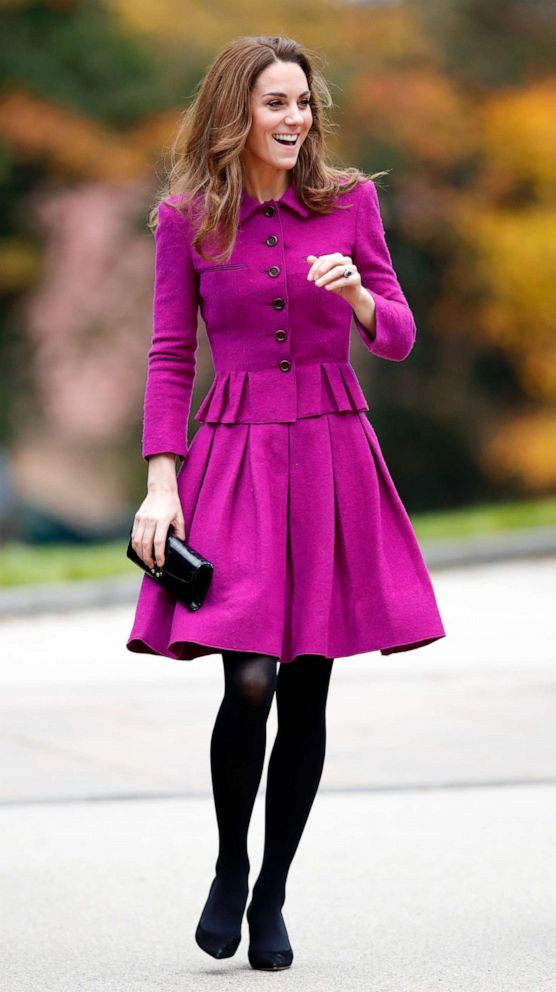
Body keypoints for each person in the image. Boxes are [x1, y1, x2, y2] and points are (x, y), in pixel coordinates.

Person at [126, 35, 446, 971]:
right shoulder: (188, 219)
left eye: (302, 102)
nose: (294, 118)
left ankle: (272, 893)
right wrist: (161, 481)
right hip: (235, 455)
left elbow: (397, 336)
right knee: (249, 677)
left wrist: (356, 299)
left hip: (332, 448)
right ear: (237, 110)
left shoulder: (351, 202)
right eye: (275, 103)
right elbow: (169, 354)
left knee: (307, 678)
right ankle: (231, 865)